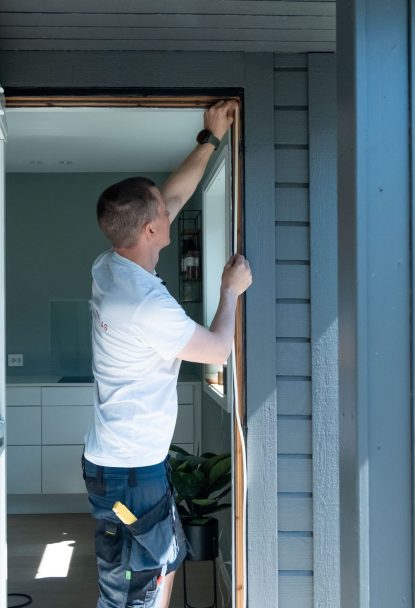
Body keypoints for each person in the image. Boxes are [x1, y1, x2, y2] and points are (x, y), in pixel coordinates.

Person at [81, 100, 252, 608]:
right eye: (161, 210)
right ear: (151, 230)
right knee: (140, 583)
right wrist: (230, 291)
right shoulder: (146, 304)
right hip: (130, 474)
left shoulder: (110, 264)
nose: (168, 207)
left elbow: (173, 194)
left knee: (151, 564)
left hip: (117, 468)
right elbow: (217, 349)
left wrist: (210, 139)